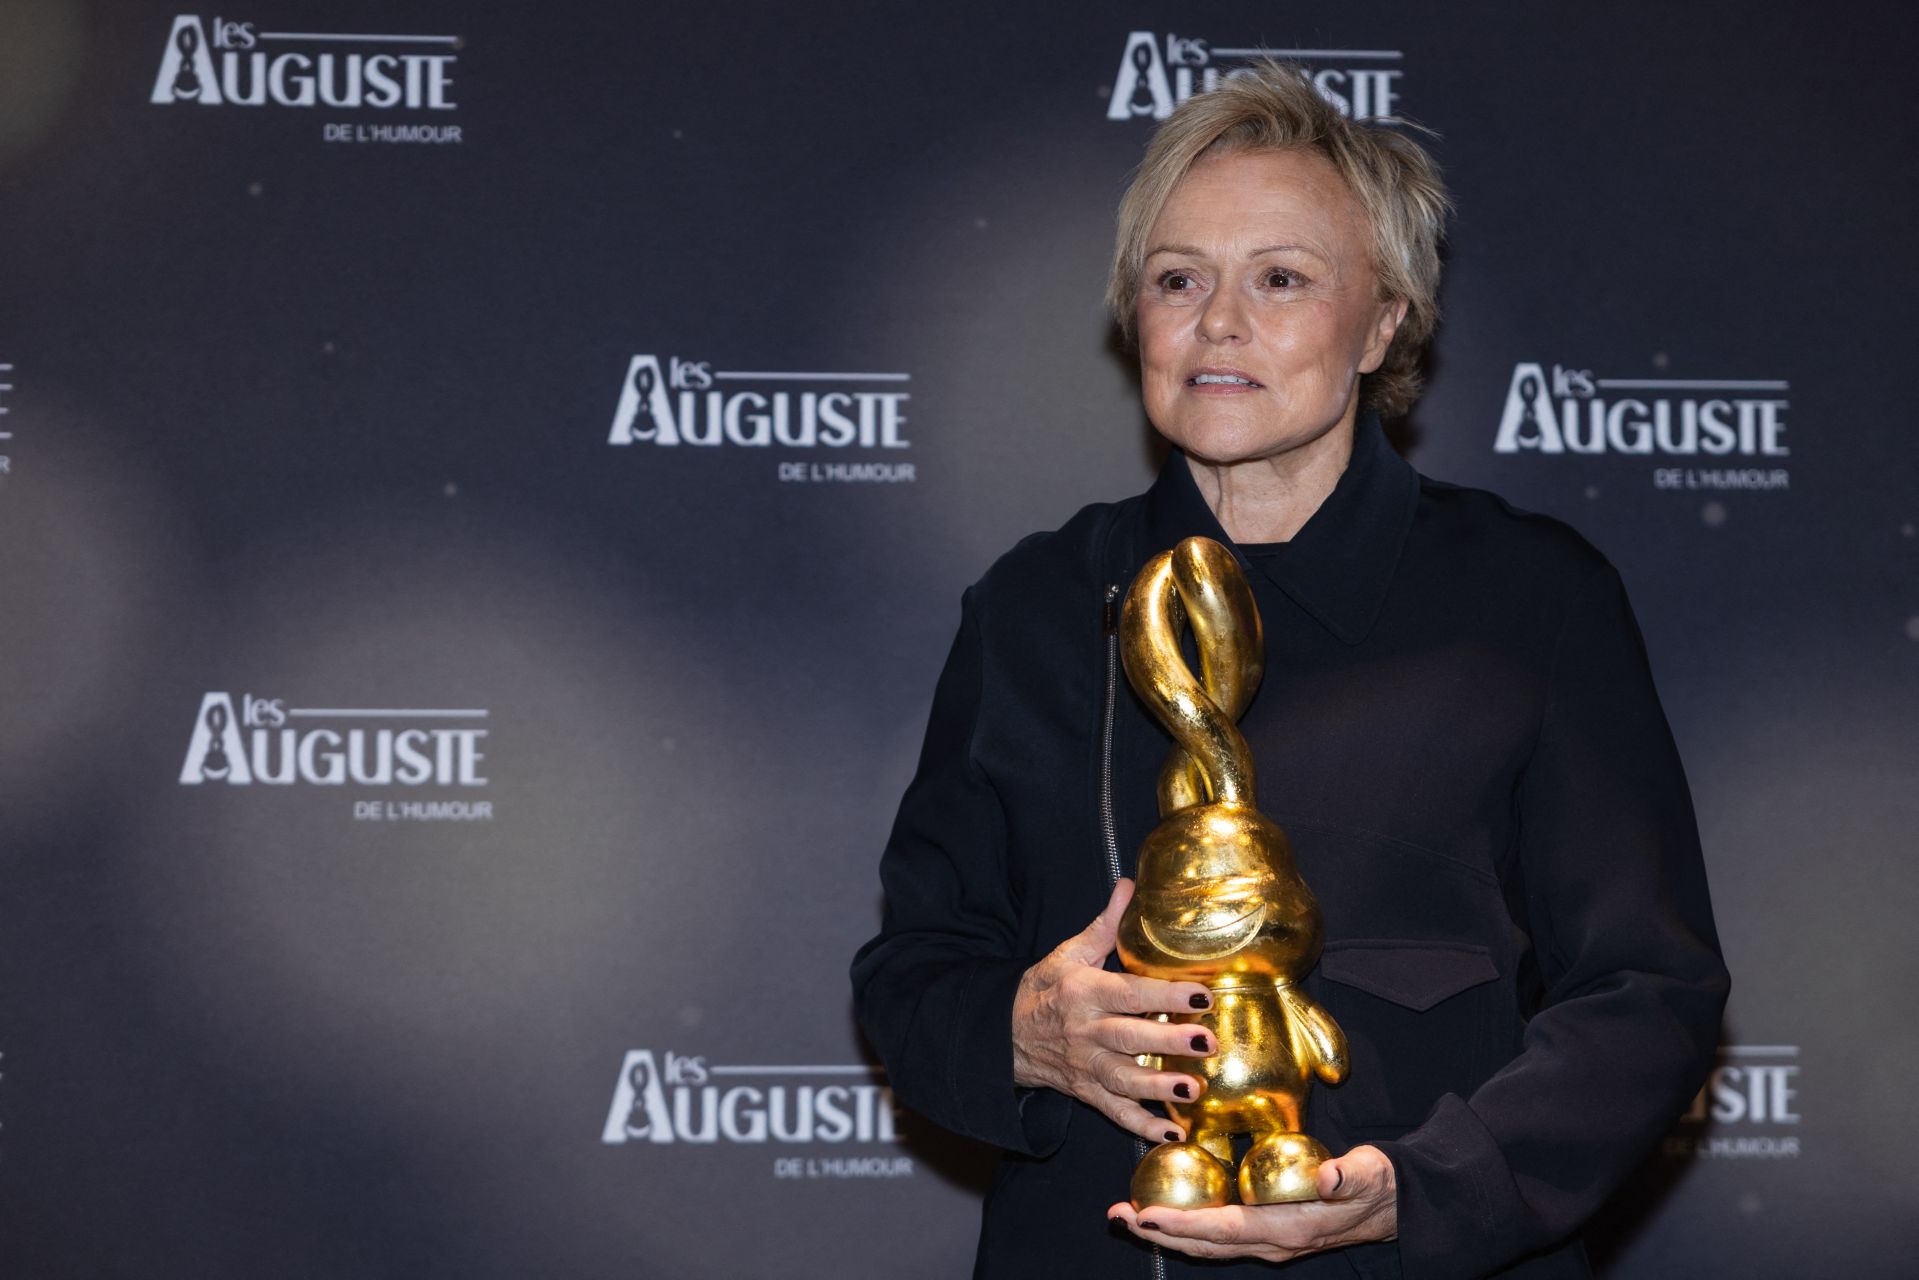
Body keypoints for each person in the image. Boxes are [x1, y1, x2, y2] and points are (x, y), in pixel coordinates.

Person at [852, 63, 1727, 1279]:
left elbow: (1646, 987)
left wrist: (1424, 1186)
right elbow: (912, 973)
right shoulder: (1035, 604)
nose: (1218, 321)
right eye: (1176, 280)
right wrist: (1025, 1031)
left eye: (1279, 278)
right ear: (1132, 319)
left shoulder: (1531, 600)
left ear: (1382, 323)